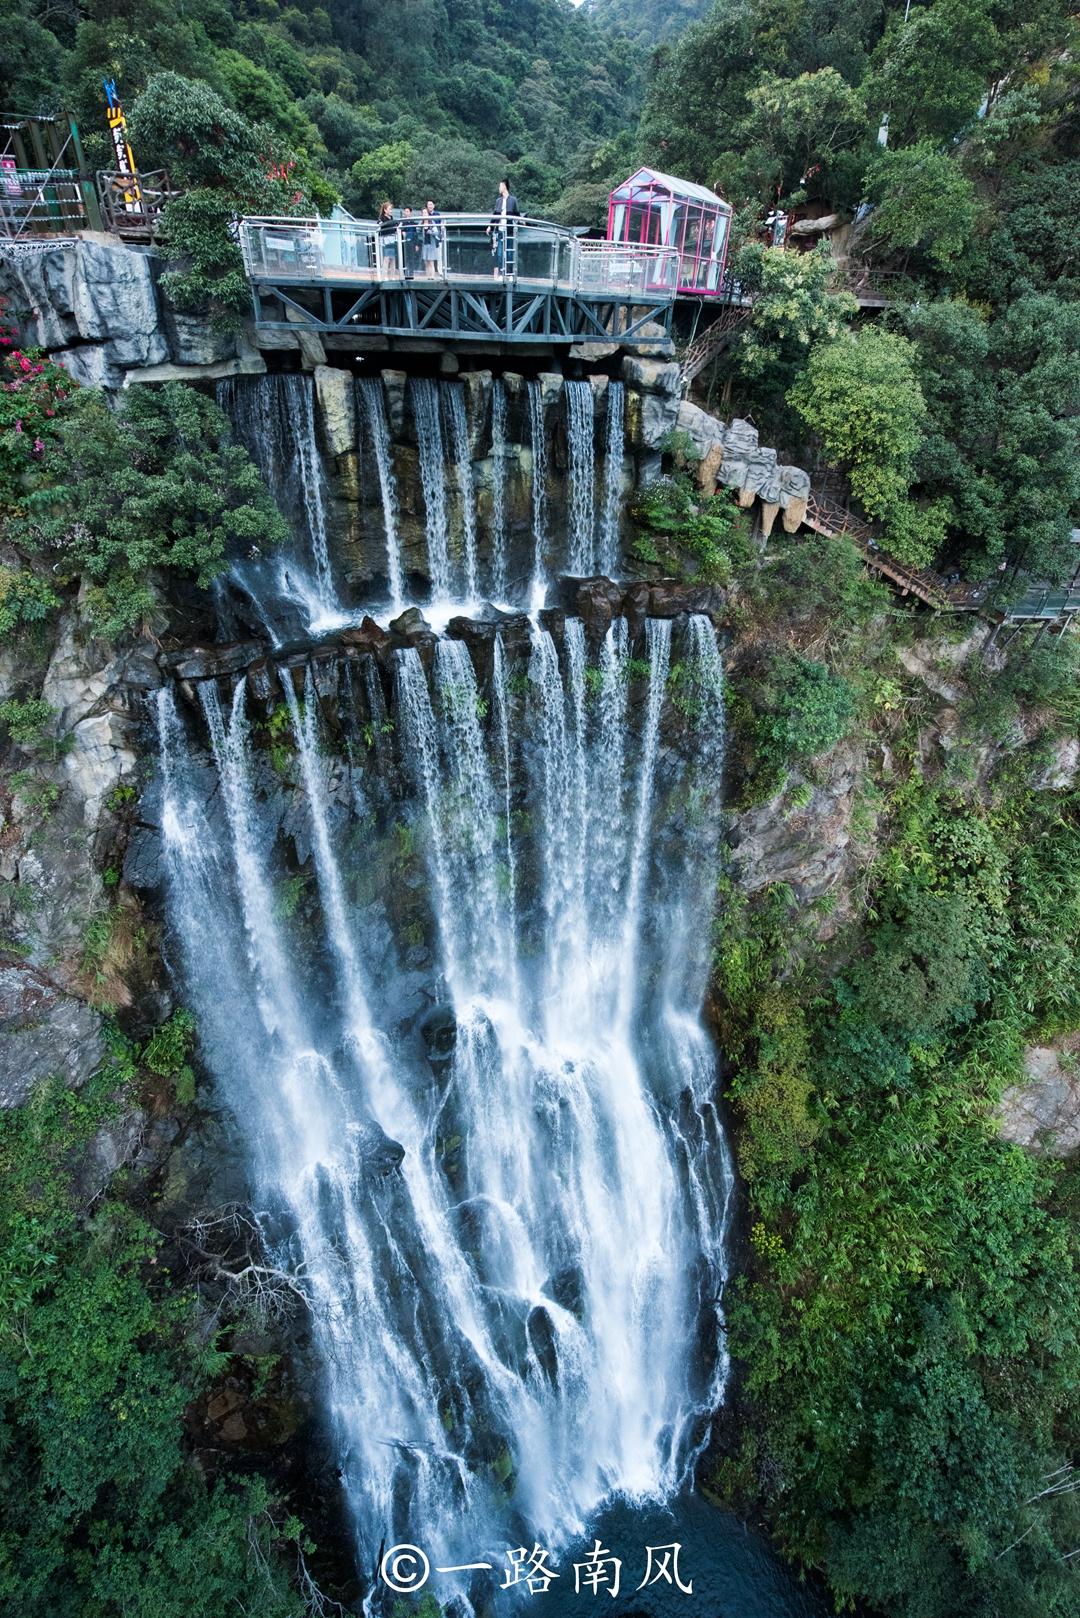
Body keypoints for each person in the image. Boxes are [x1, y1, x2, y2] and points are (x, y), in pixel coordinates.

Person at [487, 178, 521, 278]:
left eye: (500, 185)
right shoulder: (498, 201)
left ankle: (510, 274)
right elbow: (495, 215)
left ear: (504, 186)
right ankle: (502, 274)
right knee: (500, 253)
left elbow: (516, 214)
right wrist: (490, 226)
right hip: (500, 230)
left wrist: (521, 221)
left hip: (509, 230)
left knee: (510, 253)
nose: (499, 188)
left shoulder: (513, 200)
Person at [421, 200, 443, 278]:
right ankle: (428, 277)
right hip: (425, 243)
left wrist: (431, 232)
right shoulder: (421, 223)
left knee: (434, 260)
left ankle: (438, 274)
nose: (425, 214)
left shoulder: (435, 217)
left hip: (434, 242)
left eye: (431, 204)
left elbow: (438, 229)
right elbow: (418, 231)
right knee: (426, 261)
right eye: (428, 205)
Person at [377, 200, 398, 277]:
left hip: (392, 239)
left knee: (393, 258)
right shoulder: (382, 218)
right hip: (385, 240)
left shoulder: (391, 218)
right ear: (385, 210)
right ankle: (384, 276)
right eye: (389, 209)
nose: (391, 211)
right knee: (386, 258)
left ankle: (392, 276)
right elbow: (379, 225)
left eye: (391, 209)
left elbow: (395, 226)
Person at [401, 204, 420, 279]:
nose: (406, 213)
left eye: (408, 211)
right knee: (405, 257)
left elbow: (415, 234)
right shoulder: (402, 222)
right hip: (404, 242)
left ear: (410, 212)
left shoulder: (413, 222)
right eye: (405, 211)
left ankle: (411, 273)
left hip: (411, 242)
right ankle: (405, 273)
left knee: (411, 258)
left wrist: (416, 244)